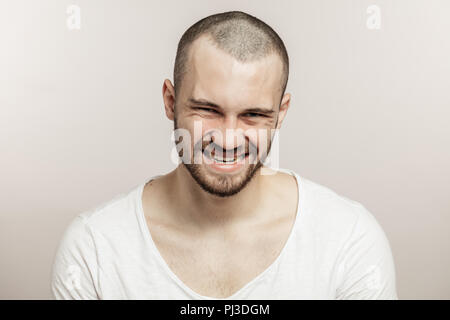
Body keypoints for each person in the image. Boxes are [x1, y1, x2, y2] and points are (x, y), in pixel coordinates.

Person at [51, 11, 397, 299]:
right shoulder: (94, 247)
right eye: (207, 109)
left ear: (281, 112)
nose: (229, 139)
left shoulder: (348, 240)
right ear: (170, 101)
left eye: (253, 115)